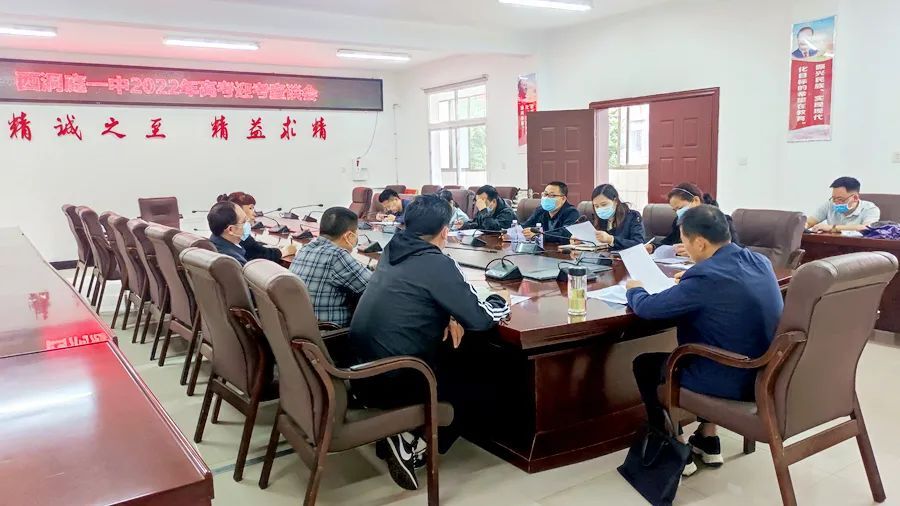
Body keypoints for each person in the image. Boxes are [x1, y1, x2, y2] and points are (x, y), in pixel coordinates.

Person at [349, 194, 510, 491]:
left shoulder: (392, 248)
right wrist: (501, 302)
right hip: (399, 377)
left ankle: (402, 435)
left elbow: (416, 293)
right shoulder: (437, 263)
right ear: (445, 231)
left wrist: (449, 312)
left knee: (459, 353)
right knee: (486, 371)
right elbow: (480, 320)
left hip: (361, 370)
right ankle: (413, 442)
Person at [626, 205, 783, 477]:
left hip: (732, 379)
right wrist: (689, 284)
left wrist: (635, 290)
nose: (684, 248)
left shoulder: (705, 276)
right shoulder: (760, 261)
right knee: (715, 340)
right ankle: (707, 438)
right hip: (766, 372)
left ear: (700, 242)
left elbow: (648, 309)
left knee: (645, 365)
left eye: (684, 242)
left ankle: (674, 447)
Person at [289, 207, 371, 328]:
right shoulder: (336, 255)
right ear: (349, 235)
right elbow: (374, 287)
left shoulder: (305, 248)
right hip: (331, 334)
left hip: (302, 329)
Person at [646, 182, 739, 255]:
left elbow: (734, 251)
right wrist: (653, 247)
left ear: (696, 200)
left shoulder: (722, 221)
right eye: (675, 210)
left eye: (680, 208)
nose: (678, 213)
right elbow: (669, 242)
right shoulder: (680, 221)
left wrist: (695, 253)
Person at [218, 192, 296, 261]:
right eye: (250, 208)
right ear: (238, 210)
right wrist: (285, 251)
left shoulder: (219, 236)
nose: (254, 213)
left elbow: (253, 248)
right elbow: (261, 254)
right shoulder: (238, 235)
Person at [582, 184, 645, 250]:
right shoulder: (596, 218)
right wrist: (582, 240)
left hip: (624, 255)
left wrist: (611, 240)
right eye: (596, 206)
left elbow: (639, 244)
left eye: (604, 204)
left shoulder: (633, 217)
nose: (600, 209)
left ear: (615, 201)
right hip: (601, 255)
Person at [806, 177, 881, 233]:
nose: (836, 202)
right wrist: (804, 227)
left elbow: (866, 228)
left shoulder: (870, 209)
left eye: (840, 199)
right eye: (834, 198)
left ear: (855, 198)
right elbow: (809, 222)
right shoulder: (830, 204)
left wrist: (832, 228)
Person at [207, 201, 251, 265]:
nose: (248, 223)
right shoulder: (235, 262)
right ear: (231, 229)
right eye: (244, 221)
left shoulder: (214, 241)